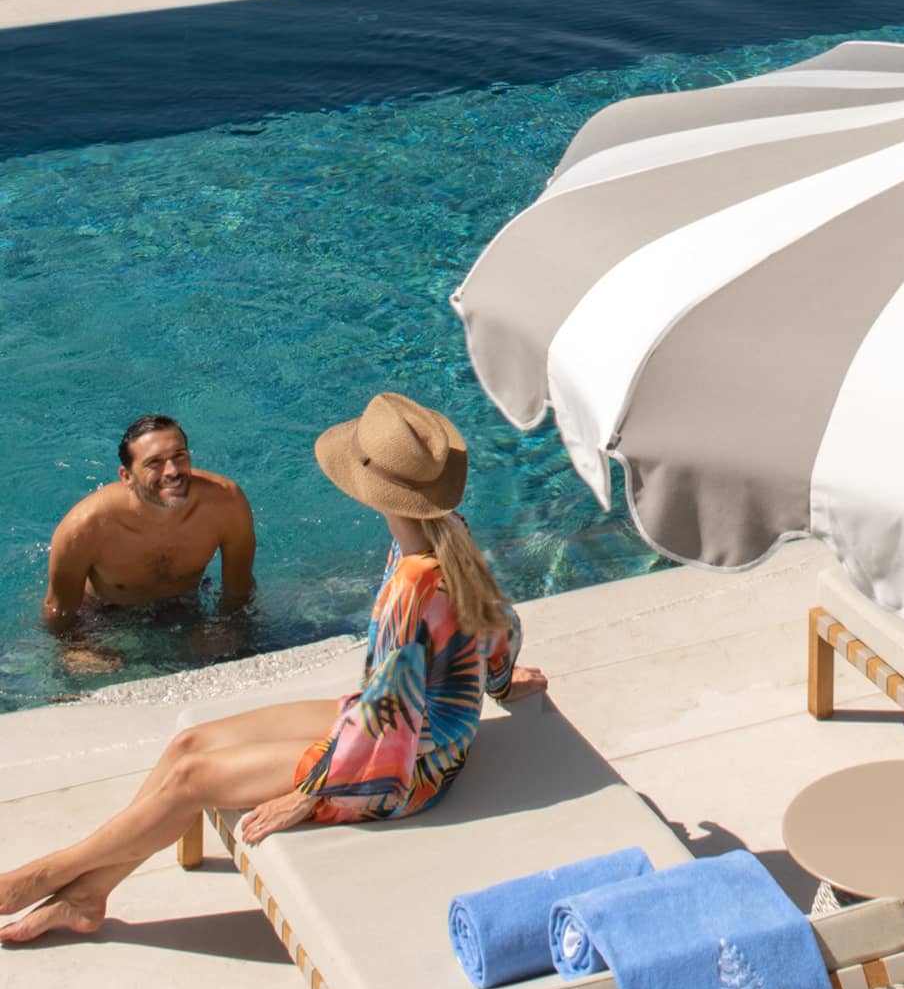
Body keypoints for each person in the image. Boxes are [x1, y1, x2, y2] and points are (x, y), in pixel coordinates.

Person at [1, 392, 545, 944]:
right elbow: (498, 622)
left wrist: (311, 792)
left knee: (191, 779)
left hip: (405, 773)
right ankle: (87, 895)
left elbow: (393, 719)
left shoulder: (412, 584)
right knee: (189, 745)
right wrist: (499, 681)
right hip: (392, 731)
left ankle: (49, 873)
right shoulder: (447, 531)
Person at [43, 415, 257, 629]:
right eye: (155, 462)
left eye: (179, 456)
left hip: (186, 607)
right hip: (107, 618)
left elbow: (239, 592)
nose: (173, 471)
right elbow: (59, 613)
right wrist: (82, 647)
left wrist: (228, 633)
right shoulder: (85, 527)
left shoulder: (225, 503)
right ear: (126, 476)